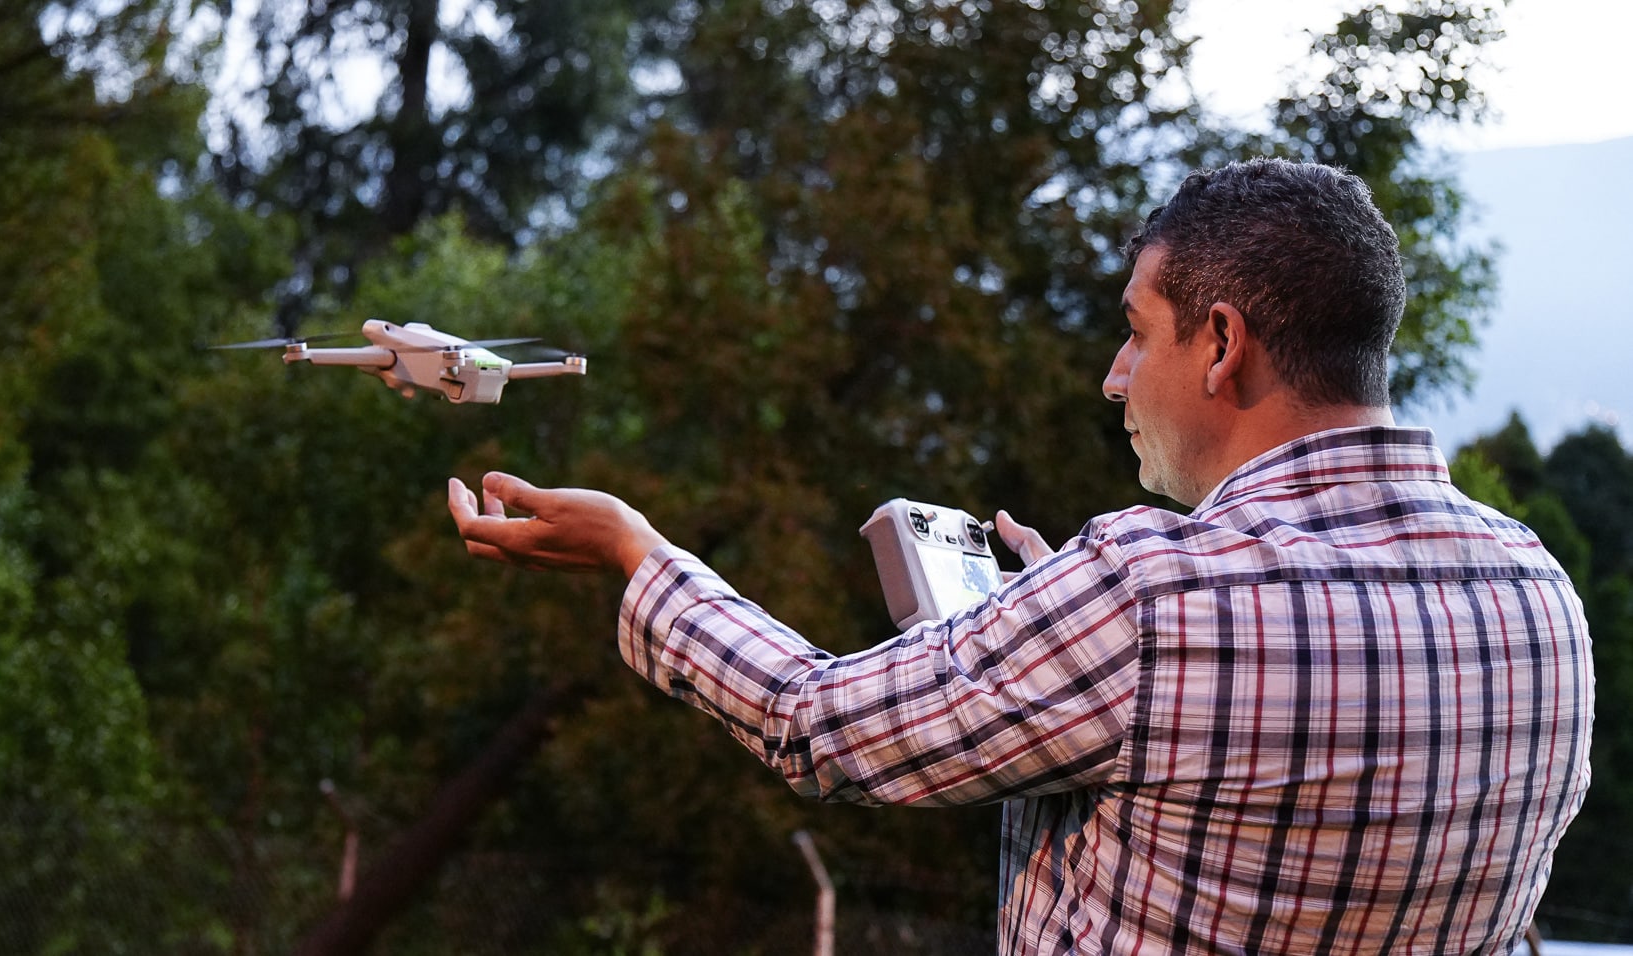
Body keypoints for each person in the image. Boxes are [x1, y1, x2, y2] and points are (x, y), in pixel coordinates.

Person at [448, 158, 1593, 955]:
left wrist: (638, 553)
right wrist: (1048, 636)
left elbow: (816, 722)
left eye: (1137, 331)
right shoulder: (1538, 595)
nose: (1111, 374)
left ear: (1221, 343)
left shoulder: (1152, 599)